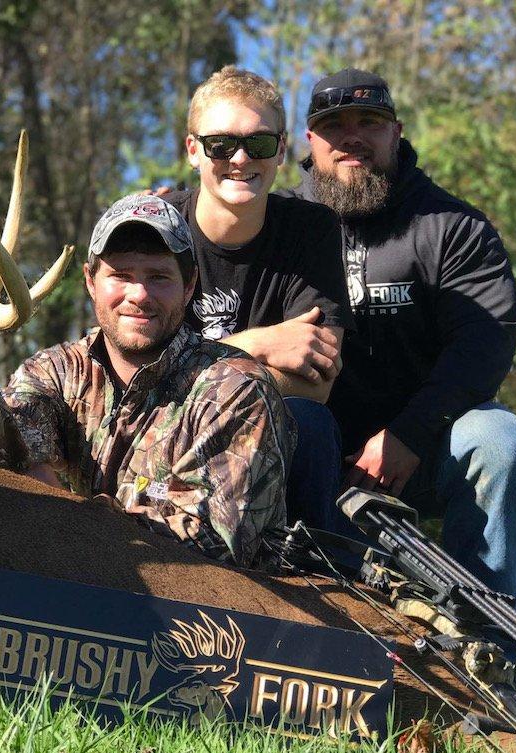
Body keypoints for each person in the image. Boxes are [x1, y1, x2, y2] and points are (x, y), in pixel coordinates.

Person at [0, 194, 295, 568]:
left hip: (203, 628)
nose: (138, 294)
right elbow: (1, 459)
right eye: (120, 275)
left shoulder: (235, 389)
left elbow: (209, 542)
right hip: (72, 604)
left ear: (189, 286)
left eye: (159, 277)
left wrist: (61, 512)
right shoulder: (55, 372)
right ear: (90, 281)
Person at [280, 68, 516, 607]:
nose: (352, 136)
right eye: (334, 125)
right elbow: (211, 240)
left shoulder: (453, 226)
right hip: (309, 449)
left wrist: (409, 436)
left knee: (496, 440)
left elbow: (483, 346)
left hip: (422, 447)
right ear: (310, 141)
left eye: (369, 122)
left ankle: (488, 638)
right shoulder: (280, 222)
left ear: (395, 132)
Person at [161, 66, 355, 536]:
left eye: (260, 143)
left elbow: (315, 386)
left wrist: (195, 372)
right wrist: (261, 343)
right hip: (165, 437)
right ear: (193, 150)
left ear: (282, 150)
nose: (241, 158)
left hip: (273, 434)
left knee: (310, 422)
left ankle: (319, 581)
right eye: (220, 145)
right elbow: (142, 379)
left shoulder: (312, 230)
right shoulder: (159, 228)